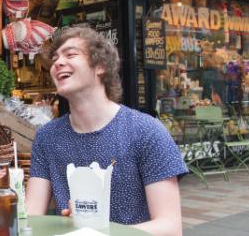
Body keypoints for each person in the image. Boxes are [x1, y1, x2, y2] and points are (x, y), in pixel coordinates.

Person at [26, 26, 188, 236]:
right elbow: (31, 217)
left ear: (100, 66)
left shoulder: (146, 131)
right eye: (55, 58)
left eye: (71, 54)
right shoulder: (46, 137)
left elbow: (170, 228)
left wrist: (97, 232)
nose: (57, 63)